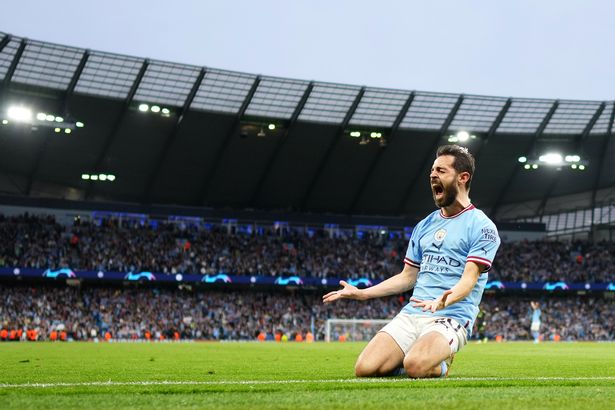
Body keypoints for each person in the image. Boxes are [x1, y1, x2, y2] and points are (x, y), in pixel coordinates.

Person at [323, 145, 500, 378]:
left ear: (463, 177)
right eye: (432, 171)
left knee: (415, 366)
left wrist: (445, 299)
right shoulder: (424, 226)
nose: (433, 175)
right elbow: (408, 277)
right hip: (413, 313)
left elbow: (469, 280)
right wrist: (362, 294)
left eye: (441, 171)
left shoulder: (482, 226)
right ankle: (418, 357)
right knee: (365, 369)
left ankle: (438, 364)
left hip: (451, 315)